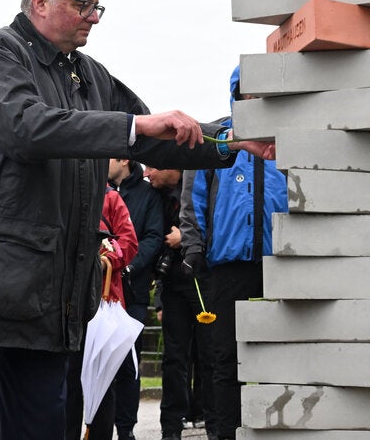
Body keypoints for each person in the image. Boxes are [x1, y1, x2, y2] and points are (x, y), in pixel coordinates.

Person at [0, 0, 274, 440]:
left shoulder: (91, 76)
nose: (93, 19)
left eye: (98, 9)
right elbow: (26, 126)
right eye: (83, 5)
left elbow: (153, 137)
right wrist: (132, 126)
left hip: (49, 304)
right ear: (39, 1)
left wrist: (231, 140)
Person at [178, 67, 288, 440]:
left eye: (261, 92)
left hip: (283, 264)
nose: (253, 100)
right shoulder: (217, 136)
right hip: (227, 265)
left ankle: (280, 430)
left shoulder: (289, 136)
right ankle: (225, 433)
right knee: (224, 358)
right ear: (236, 95)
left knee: (281, 357)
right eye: (246, 93)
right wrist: (194, 248)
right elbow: (192, 200)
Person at [145, 166, 217, 440]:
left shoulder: (204, 185)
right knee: (174, 358)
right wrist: (160, 298)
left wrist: (185, 238)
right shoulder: (157, 199)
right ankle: (171, 427)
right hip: (174, 284)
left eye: (153, 167)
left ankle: (214, 424)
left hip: (203, 280)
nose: (147, 173)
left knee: (210, 355)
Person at [66, 186, 138, 440]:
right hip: (66, 305)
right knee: (67, 381)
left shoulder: (110, 197)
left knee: (103, 382)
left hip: (103, 302)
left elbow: (128, 243)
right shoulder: (61, 191)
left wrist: (102, 257)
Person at [107, 159, 164, 440]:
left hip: (134, 291)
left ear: (124, 160)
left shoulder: (148, 195)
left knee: (129, 363)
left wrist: (128, 266)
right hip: (101, 292)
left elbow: (154, 236)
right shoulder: (100, 192)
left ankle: (126, 428)